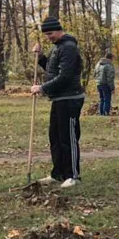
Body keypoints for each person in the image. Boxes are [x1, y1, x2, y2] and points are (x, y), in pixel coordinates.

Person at [31, 16, 84, 188]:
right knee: (55, 136)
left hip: (70, 98)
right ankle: (58, 173)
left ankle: (73, 175)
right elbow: (52, 70)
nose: (49, 37)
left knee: (68, 137)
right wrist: (40, 58)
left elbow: (65, 76)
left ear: (59, 30)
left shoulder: (69, 47)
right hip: (59, 98)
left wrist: (42, 88)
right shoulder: (58, 47)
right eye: (46, 35)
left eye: (50, 33)